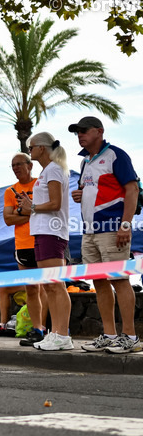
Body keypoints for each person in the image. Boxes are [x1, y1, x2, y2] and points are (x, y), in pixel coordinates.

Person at [68, 116, 142, 354]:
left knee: (119, 280)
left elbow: (132, 188)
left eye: (84, 131)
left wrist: (125, 224)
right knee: (99, 282)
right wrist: (80, 195)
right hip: (89, 230)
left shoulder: (115, 155)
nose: (80, 135)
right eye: (77, 132)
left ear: (99, 131)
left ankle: (130, 336)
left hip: (112, 227)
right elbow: (92, 189)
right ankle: (109, 335)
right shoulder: (84, 162)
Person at [17, 132, 73, 351]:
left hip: (53, 232)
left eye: (31, 148)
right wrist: (32, 205)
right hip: (41, 231)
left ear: (41, 148)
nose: (30, 152)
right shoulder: (47, 171)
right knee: (50, 286)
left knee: (57, 285)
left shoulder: (54, 169)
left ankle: (62, 334)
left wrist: (31, 206)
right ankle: (56, 333)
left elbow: (56, 203)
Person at [1, 153, 47, 345]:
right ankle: (36, 329)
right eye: (12, 165)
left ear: (30, 165)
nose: (16, 168)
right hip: (23, 245)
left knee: (48, 287)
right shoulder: (11, 191)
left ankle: (45, 327)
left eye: (19, 164)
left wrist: (26, 211)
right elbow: (8, 219)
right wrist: (30, 213)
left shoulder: (40, 184)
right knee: (31, 289)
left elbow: (49, 209)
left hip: (43, 240)